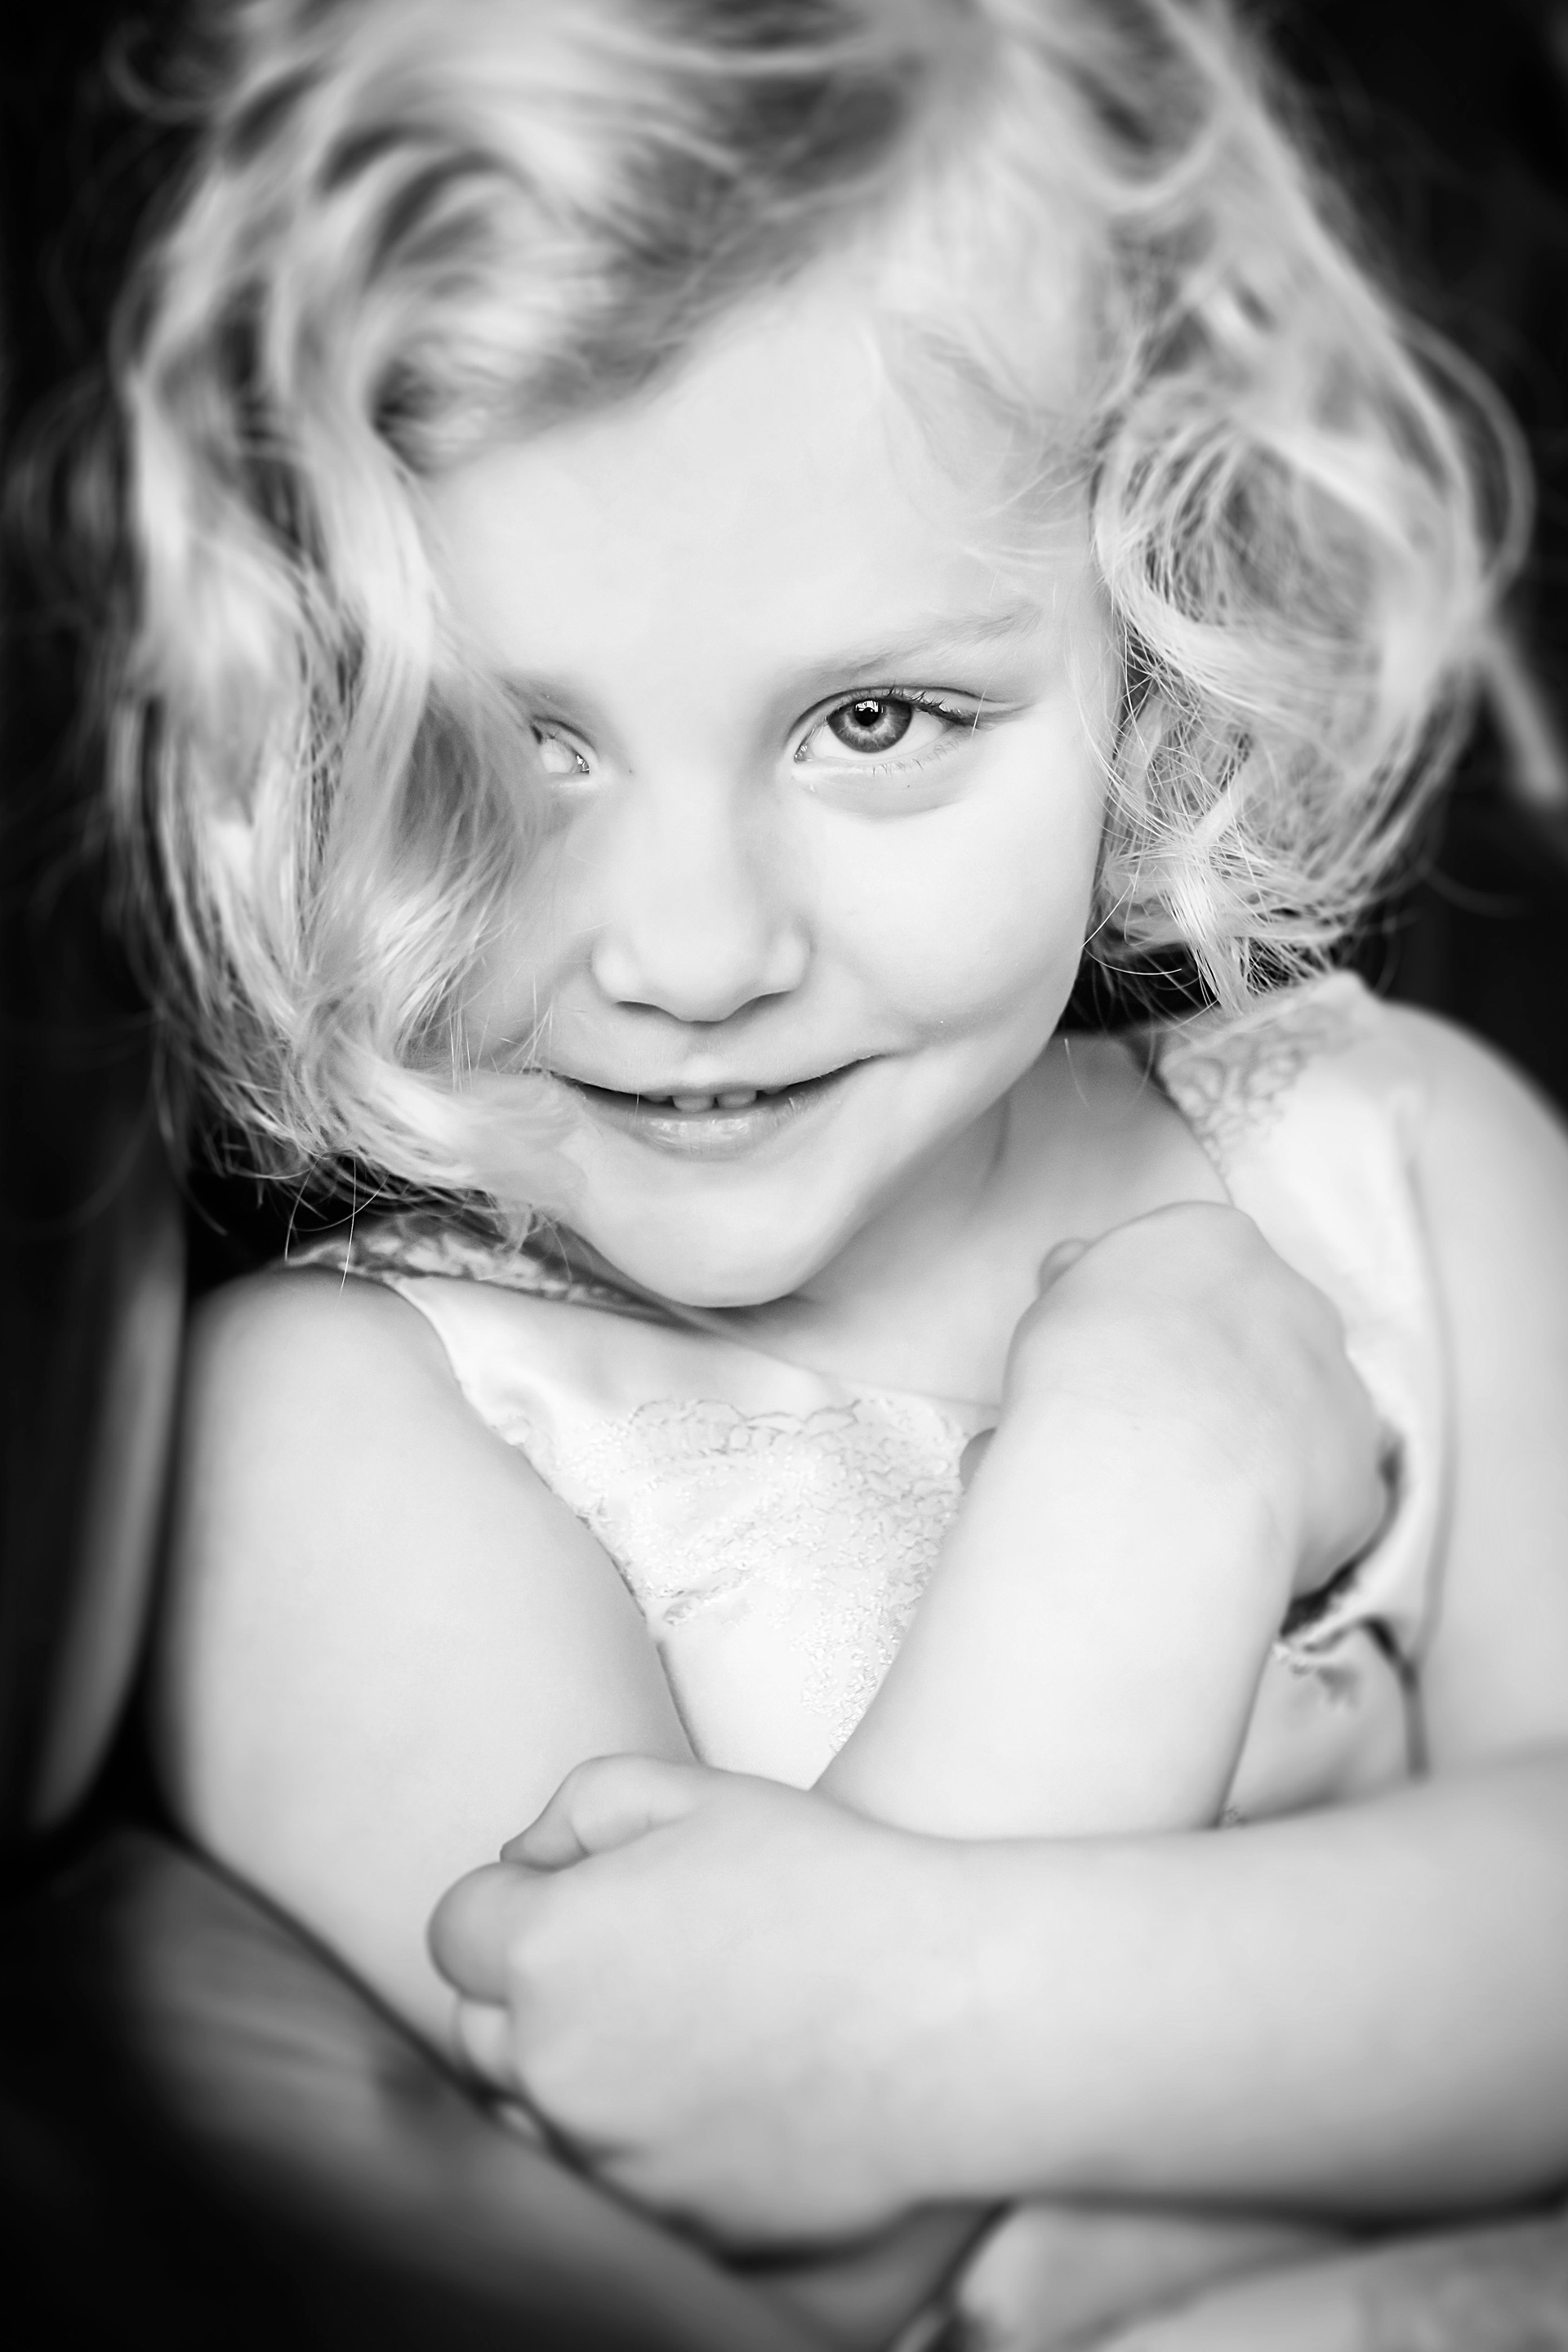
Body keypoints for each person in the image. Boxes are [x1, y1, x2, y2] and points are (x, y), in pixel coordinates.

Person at [98, 0, 1568, 2343]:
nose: (695, 954)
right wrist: (1154, 1471)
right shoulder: (334, 1439)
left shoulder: (1398, 1154)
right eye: (514, 749)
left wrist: (975, 2084)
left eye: (874, 719)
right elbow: (753, 2229)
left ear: (1149, 635)